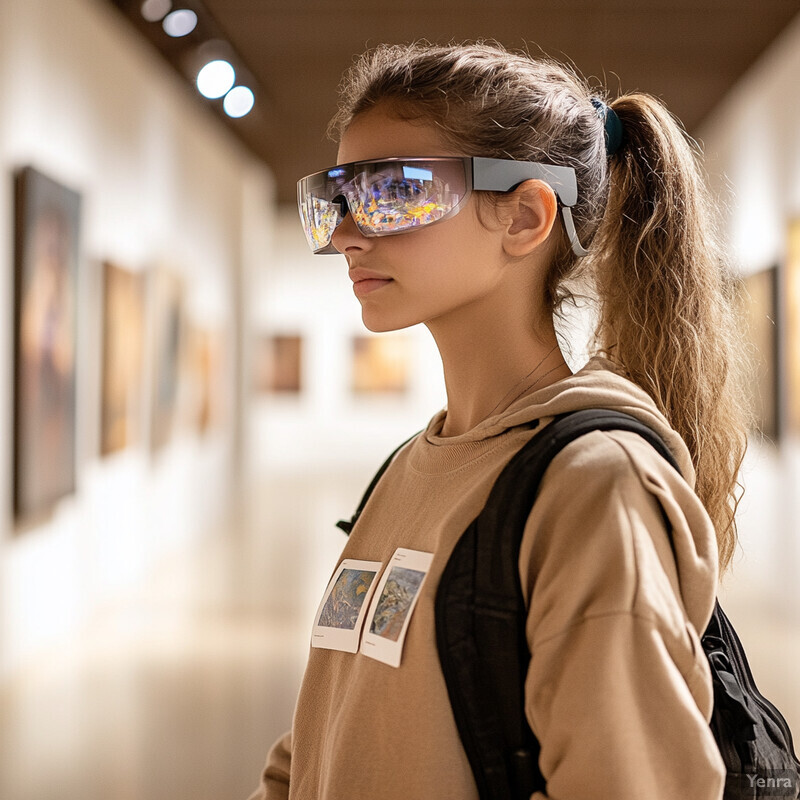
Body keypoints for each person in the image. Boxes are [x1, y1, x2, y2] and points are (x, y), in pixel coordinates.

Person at [249, 40, 750, 800]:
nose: (349, 235)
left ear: (523, 216)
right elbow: (325, 735)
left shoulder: (594, 487)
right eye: (337, 199)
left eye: (392, 191)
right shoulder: (412, 467)